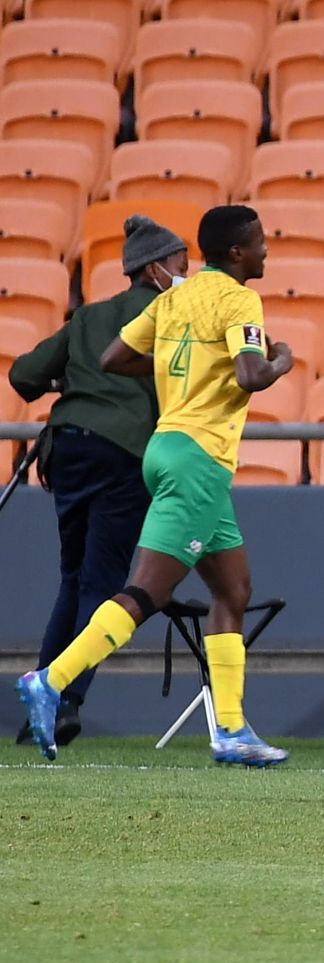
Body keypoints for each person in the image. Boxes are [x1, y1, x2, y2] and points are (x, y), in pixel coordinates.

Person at [17, 205, 295, 766]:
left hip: (170, 449)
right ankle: (52, 680)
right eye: (261, 243)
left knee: (233, 590)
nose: (267, 251)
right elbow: (249, 374)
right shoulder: (240, 301)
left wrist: (177, 370)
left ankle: (232, 729)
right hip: (198, 458)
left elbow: (114, 357)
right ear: (238, 253)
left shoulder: (175, 297)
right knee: (145, 593)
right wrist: (282, 359)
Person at [11, 216, 191, 748]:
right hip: (125, 452)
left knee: (72, 578)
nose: (187, 275)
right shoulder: (171, 312)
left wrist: (68, 382)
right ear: (155, 269)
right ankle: (64, 699)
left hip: (68, 447)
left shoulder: (88, 317)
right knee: (103, 583)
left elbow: (23, 375)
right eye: (182, 267)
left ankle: (38, 704)